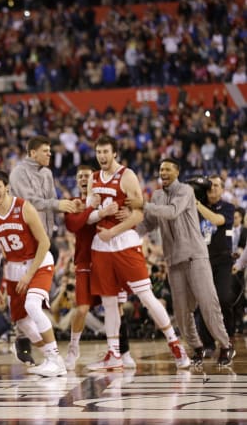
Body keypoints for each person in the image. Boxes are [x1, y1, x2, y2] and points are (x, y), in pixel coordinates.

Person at [86, 135, 189, 371]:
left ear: (114, 153)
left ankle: (175, 344)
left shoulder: (127, 175)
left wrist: (113, 231)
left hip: (124, 243)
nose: (101, 156)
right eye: (98, 152)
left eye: (105, 152)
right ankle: (114, 353)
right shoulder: (93, 179)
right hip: (101, 246)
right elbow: (88, 214)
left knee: (146, 297)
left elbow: (139, 214)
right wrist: (100, 215)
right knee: (109, 303)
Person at [129, 158, 234, 366]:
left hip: (195, 256)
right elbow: (148, 224)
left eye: (168, 169)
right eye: (161, 169)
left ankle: (225, 345)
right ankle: (197, 347)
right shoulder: (157, 195)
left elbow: (172, 212)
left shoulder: (186, 191)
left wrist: (143, 204)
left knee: (208, 303)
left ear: (177, 172)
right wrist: (126, 236)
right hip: (173, 261)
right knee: (181, 311)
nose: (164, 172)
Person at [0, 170, 67, 377]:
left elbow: (45, 242)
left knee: (32, 305)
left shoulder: (23, 207)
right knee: (22, 321)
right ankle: (52, 358)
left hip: (38, 263)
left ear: (6, 188)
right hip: (13, 268)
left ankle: (55, 359)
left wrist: (29, 274)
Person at [8, 135, 82, 358]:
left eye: (50, 151)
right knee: (24, 298)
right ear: (32, 153)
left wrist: (68, 207)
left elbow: (50, 204)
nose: (50, 154)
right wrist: (58, 204)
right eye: (46, 151)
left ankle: (30, 339)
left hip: (43, 241)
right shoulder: (19, 172)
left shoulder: (48, 173)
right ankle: (23, 336)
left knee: (34, 298)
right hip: (22, 241)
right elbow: (30, 202)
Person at [63, 165, 135, 370]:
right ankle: (73, 348)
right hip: (86, 261)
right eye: (80, 177)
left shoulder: (110, 200)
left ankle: (123, 351)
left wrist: (128, 212)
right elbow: (74, 225)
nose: (84, 179)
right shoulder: (75, 203)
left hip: (110, 258)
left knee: (117, 307)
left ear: (94, 179)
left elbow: (131, 211)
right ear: (77, 181)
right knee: (82, 308)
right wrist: (92, 209)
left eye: (88, 176)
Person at [196, 174, 241, 356]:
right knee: (203, 303)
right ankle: (208, 344)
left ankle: (227, 339)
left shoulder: (228, 208)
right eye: (209, 186)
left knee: (223, 299)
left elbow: (217, 220)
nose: (212, 189)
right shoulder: (197, 206)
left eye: (216, 186)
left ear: (222, 190)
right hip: (202, 259)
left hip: (223, 261)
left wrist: (197, 204)